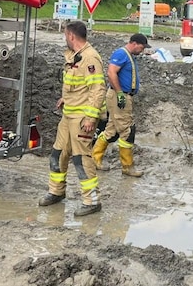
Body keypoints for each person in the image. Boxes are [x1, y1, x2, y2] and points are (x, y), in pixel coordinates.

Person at [39, 21, 106, 216]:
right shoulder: (75, 57)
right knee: (58, 155)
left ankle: (92, 201)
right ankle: (56, 192)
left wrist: (91, 118)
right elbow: (78, 85)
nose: (64, 39)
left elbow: (97, 89)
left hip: (81, 119)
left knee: (81, 159)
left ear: (71, 36)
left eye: (65, 35)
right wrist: (65, 98)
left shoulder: (90, 58)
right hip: (68, 115)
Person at [92, 33, 150, 177]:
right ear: (135, 43)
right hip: (121, 96)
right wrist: (119, 93)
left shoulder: (129, 56)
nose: (142, 50)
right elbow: (111, 73)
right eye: (142, 47)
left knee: (111, 130)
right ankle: (127, 166)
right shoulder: (121, 53)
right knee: (127, 130)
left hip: (123, 95)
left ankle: (95, 158)